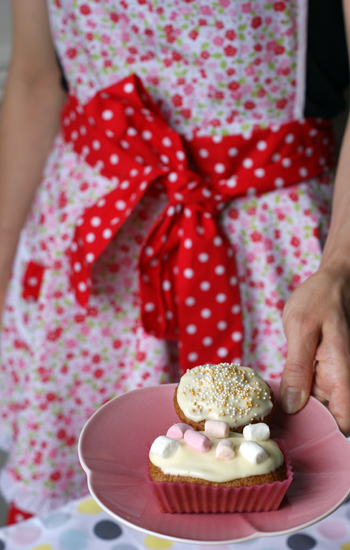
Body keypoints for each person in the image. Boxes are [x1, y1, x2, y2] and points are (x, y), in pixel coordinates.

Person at [0, 0, 349, 523]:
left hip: (279, 258)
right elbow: (34, 77)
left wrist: (340, 268)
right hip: (89, 263)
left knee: (270, 485)